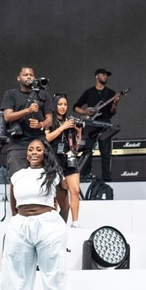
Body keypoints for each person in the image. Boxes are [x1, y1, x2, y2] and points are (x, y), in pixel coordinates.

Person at [0, 139, 70, 290]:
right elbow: (15, 208)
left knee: (55, 276)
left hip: (49, 226)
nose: (34, 152)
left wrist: (58, 230)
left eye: (38, 149)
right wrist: (20, 224)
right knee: (14, 276)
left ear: (45, 153)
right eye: (31, 149)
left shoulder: (54, 175)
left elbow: (65, 207)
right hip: (20, 226)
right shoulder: (17, 176)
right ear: (27, 153)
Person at [1, 66, 54, 178]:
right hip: (18, 144)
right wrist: (27, 110)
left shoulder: (44, 95)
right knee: (17, 179)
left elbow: (49, 120)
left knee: (42, 179)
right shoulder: (11, 94)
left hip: (39, 142)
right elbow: (7, 117)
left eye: (31, 75)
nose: (29, 76)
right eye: (25, 75)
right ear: (18, 78)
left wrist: (41, 124)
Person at [73, 68, 120, 182]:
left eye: (106, 75)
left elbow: (112, 112)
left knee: (105, 153)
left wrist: (115, 104)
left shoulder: (110, 93)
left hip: (105, 123)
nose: (105, 76)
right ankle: (84, 176)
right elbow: (75, 107)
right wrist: (85, 112)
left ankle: (106, 179)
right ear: (96, 76)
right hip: (91, 124)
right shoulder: (89, 92)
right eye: (103, 74)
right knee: (87, 151)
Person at [46, 93, 82, 227]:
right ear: (55, 105)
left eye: (65, 104)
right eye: (60, 104)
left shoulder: (70, 120)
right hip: (54, 159)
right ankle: (52, 223)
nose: (62, 107)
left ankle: (75, 222)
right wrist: (63, 127)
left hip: (69, 157)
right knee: (54, 193)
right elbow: (46, 139)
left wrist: (78, 131)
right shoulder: (50, 120)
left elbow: (77, 145)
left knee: (75, 190)